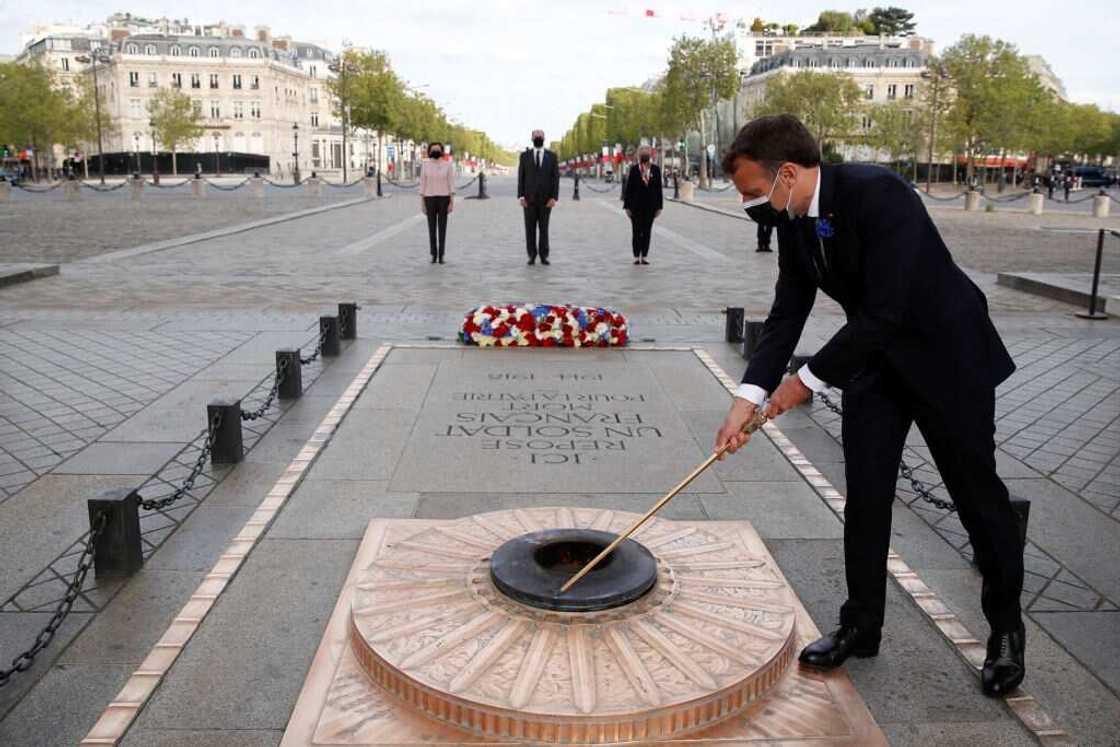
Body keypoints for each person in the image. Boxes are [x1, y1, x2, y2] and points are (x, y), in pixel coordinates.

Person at [713, 115, 1025, 697]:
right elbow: (786, 313)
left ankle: (1006, 629)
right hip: (875, 363)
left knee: (976, 496)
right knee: (867, 496)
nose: (752, 205)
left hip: (945, 358)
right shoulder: (792, 222)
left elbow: (888, 309)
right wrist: (746, 397)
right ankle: (861, 623)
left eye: (754, 192)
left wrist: (803, 382)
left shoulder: (879, 193)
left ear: (787, 173)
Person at [517, 129, 559, 265]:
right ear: (532, 138)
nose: (538, 138)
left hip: (546, 200)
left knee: (544, 228)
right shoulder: (524, 156)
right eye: (536, 136)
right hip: (529, 199)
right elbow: (521, 177)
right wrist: (521, 196)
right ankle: (531, 255)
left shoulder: (552, 156)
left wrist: (554, 197)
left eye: (540, 136)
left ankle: (544, 255)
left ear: (544, 138)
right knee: (529, 228)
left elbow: (555, 178)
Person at [622, 145, 663, 265]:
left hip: (651, 206)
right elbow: (628, 189)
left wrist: (659, 207)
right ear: (639, 155)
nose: (645, 153)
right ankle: (636, 256)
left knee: (647, 231)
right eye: (642, 151)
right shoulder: (634, 169)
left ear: (650, 154)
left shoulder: (656, 169)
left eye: (647, 151)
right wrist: (627, 207)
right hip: (635, 207)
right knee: (636, 231)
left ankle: (644, 255)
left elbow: (659, 189)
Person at [419, 141, 454, 264]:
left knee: (442, 228)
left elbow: (451, 184)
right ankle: (433, 254)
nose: (435, 152)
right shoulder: (425, 165)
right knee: (431, 228)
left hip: (444, 198)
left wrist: (451, 202)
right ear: (429, 151)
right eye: (433, 150)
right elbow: (422, 184)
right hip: (429, 198)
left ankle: (441, 255)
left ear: (442, 151)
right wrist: (422, 203)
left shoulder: (448, 165)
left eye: (437, 149)